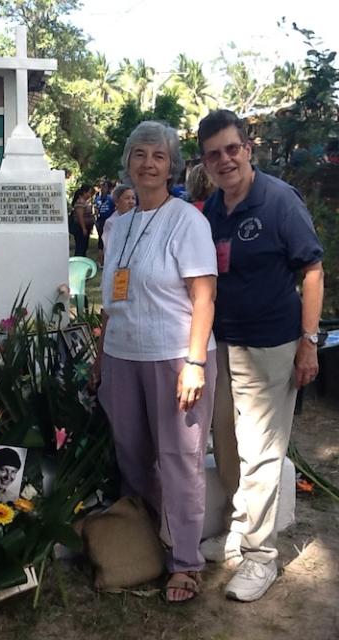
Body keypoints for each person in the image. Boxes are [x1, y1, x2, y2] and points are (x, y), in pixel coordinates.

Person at [197, 109, 324, 602]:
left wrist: (308, 342)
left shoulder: (278, 201)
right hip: (224, 345)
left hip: (271, 346)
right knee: (226, 446)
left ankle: (261, 557)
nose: (225, 159)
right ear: (206, 163)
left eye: (232, 148)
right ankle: (236, 533)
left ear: (247, 149)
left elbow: (312, 271)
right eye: (214, 154)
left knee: (261, 452)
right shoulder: (211, 210)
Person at [95, 120, 218, 602]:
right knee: (131, 455)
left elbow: (204, 297)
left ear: (172, 166)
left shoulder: (188, 221)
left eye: (159, 156)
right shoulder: (115, 225)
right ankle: (143, 544)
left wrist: (194, 363)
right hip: (122, 355)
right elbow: (111, 299)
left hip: (174, 356)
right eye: (140, 154)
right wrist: (101, 355)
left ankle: (185, 562)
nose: (149, 163)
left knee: (179, 461)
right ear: (127, 162)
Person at [101, 185, 136, 254]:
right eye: (127, 198)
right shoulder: (111, 222)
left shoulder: (139, 219)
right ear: (117, 202)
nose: (131, 201)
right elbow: (110, 249)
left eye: (133, 198)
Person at [94, 181, 115, 267]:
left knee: (108, 240)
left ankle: (106, 260)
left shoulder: (111, 198)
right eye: (102, 187)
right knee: (101, 240)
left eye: (105, 187)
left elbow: (114, 208)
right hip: (100, 221)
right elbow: (96, 209)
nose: (103, 189)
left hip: (109, 221)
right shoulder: (97, 198)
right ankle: (100, 260)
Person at [70, 184, 94, 257]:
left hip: (86, 227)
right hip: (80, 228)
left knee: (84, 246)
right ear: (84, 192)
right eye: (89, 192)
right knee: (80, 247)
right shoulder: (80, 202)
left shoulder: (85, 202)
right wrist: (84, 228)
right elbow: (80, 216)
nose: (90, 195)